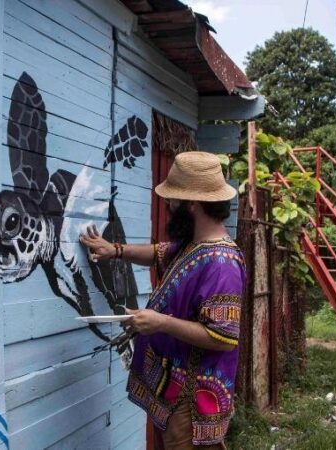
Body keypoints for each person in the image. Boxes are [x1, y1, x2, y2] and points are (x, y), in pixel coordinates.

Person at [80, 151, 246, 449]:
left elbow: (222, 337)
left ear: (192, 204)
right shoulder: (193, 245)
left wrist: (160, 322)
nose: (167, 205)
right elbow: (158, 253)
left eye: (173, 199)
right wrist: (114, 250)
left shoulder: (222, 264)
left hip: (193, 405)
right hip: (174, 394)